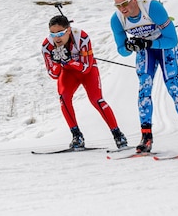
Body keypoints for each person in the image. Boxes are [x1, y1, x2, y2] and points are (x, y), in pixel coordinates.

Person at [109, 0, 178, 154]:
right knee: (144, 89)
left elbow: (173, 40)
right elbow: (121, 51)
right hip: (146, 50)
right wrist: (130, 46)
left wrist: (149, 42)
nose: (122, 9)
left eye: (125, 3)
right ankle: (146, 138)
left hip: (164, 46)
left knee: (173, 87)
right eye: (118, 5)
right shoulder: (116, 19)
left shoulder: (153, 8)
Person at [42, 15, 127, 149]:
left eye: (60, 33)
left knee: (96, 99)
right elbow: (53, 74)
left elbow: (86, 68)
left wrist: (69, 60)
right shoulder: (47, 45)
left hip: (86, 70)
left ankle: (118, 135)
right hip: (68, 72)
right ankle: (77, 136)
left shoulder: (81, 37)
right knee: (64, 98)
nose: (56, 38)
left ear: (68, 30)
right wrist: (58, 63)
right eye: (53, 34)